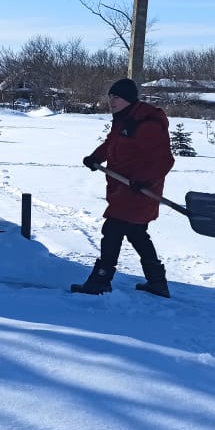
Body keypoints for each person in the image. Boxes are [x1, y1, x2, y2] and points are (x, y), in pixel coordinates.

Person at [72, 78, 175, 297]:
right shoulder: (123, 120)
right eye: (110, 96)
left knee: (112, 230)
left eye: (116, 97)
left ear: (128, 99)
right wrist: (95, 157)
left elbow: (163, 160)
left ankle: (100, 279)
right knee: (137, 234)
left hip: (140, 191)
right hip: (123, 189)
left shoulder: (146, 124)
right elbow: (111, 143)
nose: (111, 101)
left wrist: (144, 181)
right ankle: (157, 282)